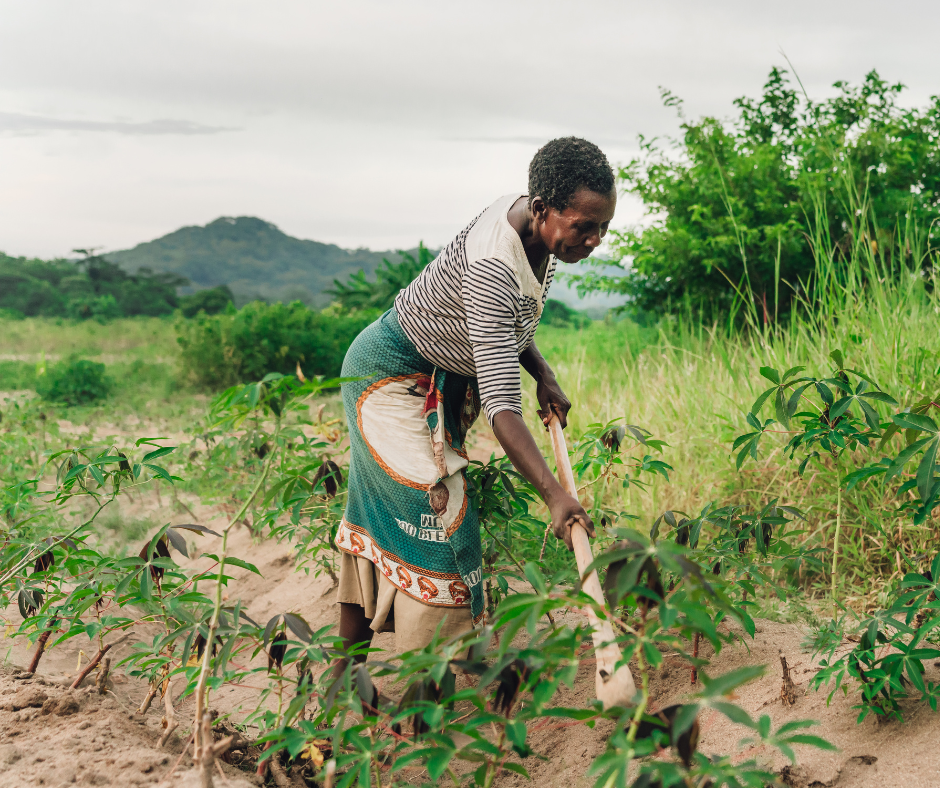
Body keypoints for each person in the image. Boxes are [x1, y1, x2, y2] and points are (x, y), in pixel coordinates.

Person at [332, 137, 617, 675]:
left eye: (603, 227)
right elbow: (502, 408)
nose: (594, 239)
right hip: (388, 378)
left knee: (375, 520)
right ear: (541, 209)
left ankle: (347, 679)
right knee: (442, 515)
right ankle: (429, 689)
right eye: (583, 226)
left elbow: (512, 321)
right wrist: (555, 496)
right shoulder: (493, 263)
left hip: (441, 379)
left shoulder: (538, 229)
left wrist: (544, 373)